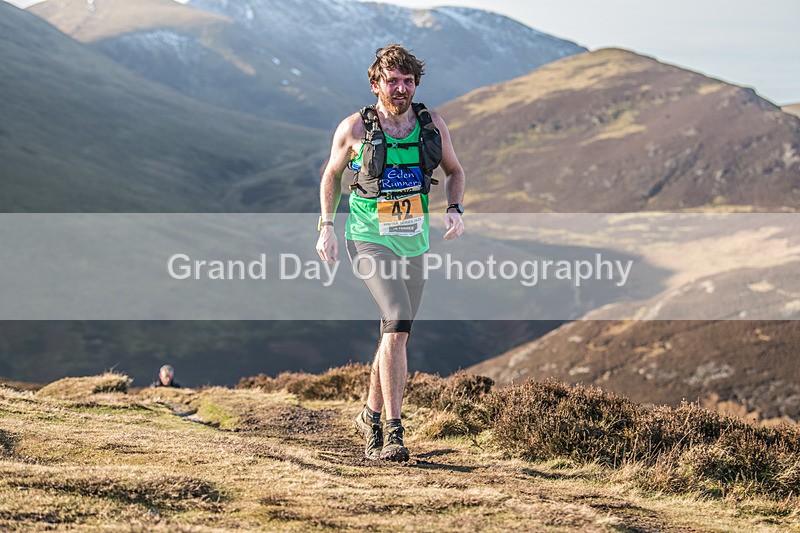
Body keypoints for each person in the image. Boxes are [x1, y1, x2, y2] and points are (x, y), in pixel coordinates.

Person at [315, 44, 465, 462]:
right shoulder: (355, 129)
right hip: (368, 238)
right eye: (392, 80)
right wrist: (326, 226)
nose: (400, 88)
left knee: (392, 333)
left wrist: (454, 208)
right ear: (375, 83)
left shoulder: (432, 124)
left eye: (408, 81)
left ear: (415, 84)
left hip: (414, 242)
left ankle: (369, 413)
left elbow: (455, 171)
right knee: (397, 324)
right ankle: (392, 432)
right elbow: (331, 174)